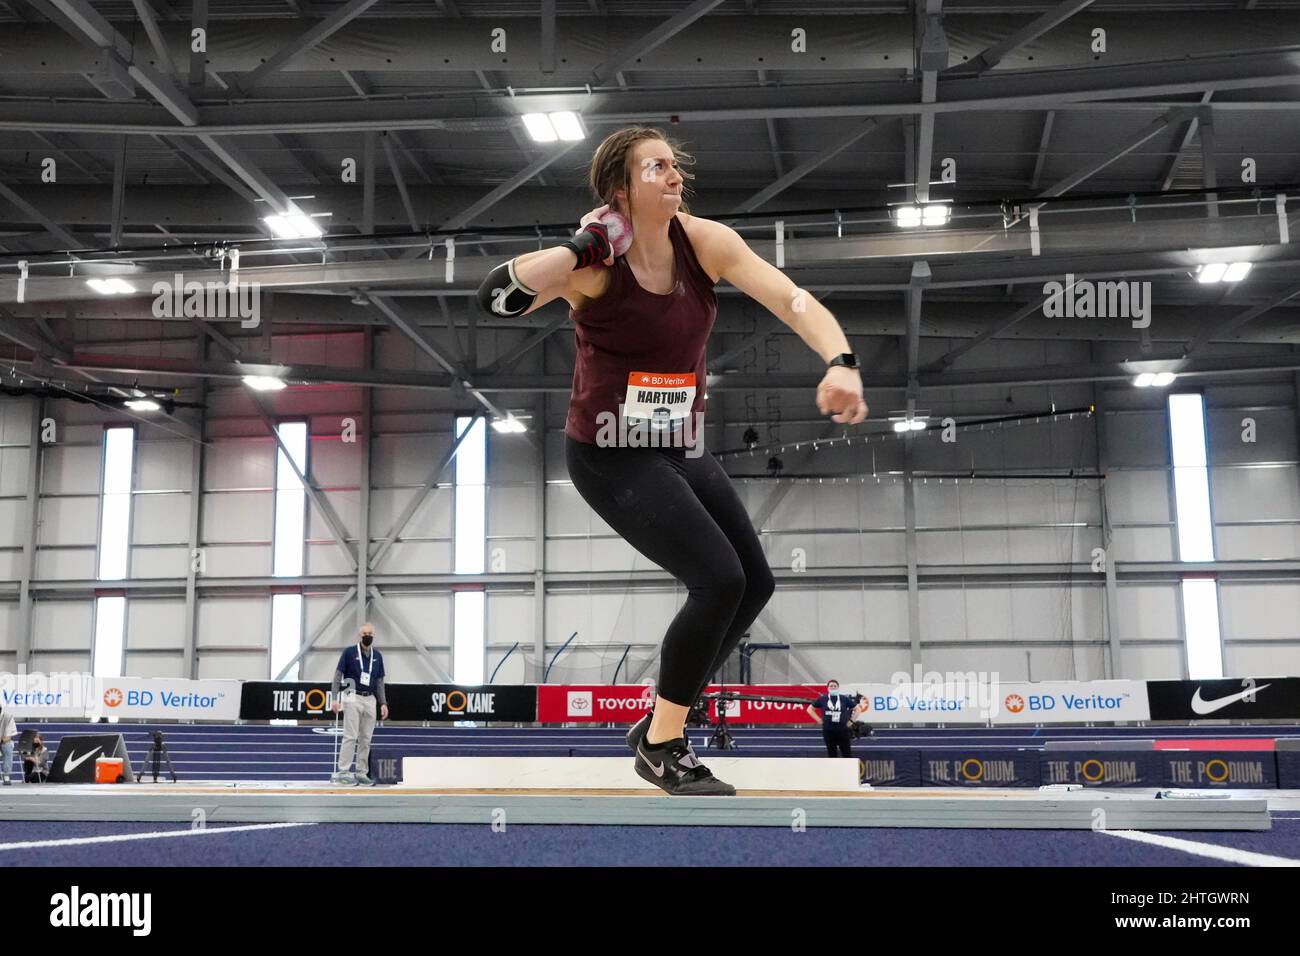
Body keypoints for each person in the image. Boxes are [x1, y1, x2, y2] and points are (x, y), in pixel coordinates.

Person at [477, 126, 868, 795]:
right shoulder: (597, 267)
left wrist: (841, 360)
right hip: (608, 453)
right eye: (654, 168)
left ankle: (659, 722)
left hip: (677, 446)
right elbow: (495, 298)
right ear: (619, 190)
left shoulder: (706, 242)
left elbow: (790, 299)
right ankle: (662, 743)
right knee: (717, 579)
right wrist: (582, 245)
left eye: (673, 164)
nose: (673, 174)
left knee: (753, 582)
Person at [330, 622, 388, 786]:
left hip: (370, 698)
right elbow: (337, 676)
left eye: (370, 633)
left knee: (366, 738)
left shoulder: (377, 655)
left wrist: (383, 703)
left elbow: (379, 682)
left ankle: (362, 772)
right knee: (350, 735)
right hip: (351, 693)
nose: (368, 636)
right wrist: (334, 698)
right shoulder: (349, 652)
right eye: (365, 633)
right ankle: (343, 771)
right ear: (359, 635)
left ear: (374, 635)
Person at [806, 679, 868, 758]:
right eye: (831, 686)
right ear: (827, 688)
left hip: (843, 731)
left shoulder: (844, 699)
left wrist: (851, 721)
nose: (833, 687)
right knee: (832, 755)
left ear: (838, 688)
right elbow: (809, 709)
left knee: (847, 754)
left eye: (835, 686)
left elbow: (858, 709)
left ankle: (847, 770)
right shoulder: (823, 699)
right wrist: (818, 720)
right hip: (828, 731)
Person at [0, 704, 15, 786]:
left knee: (8, 747)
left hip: (4, 741)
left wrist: (1, 740)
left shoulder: (8, 717)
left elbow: (8, 737)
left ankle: (6, 775)